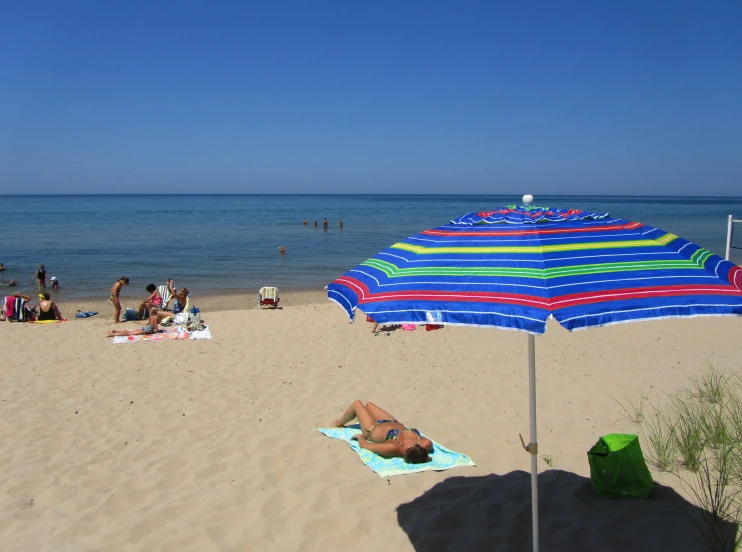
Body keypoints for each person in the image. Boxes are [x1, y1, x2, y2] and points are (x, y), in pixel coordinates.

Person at [332, 401, 433, 464]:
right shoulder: (426, 443)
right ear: (419, 446)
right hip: (392, 422)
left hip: (372, 428)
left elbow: (365, 445)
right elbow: (425, 449)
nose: (405, 444)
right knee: (369, 405)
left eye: (404, 448)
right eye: (409, 444)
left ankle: (339, 423)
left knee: (357, 404)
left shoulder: (394, 448)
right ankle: (362, 416)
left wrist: (359, 437)